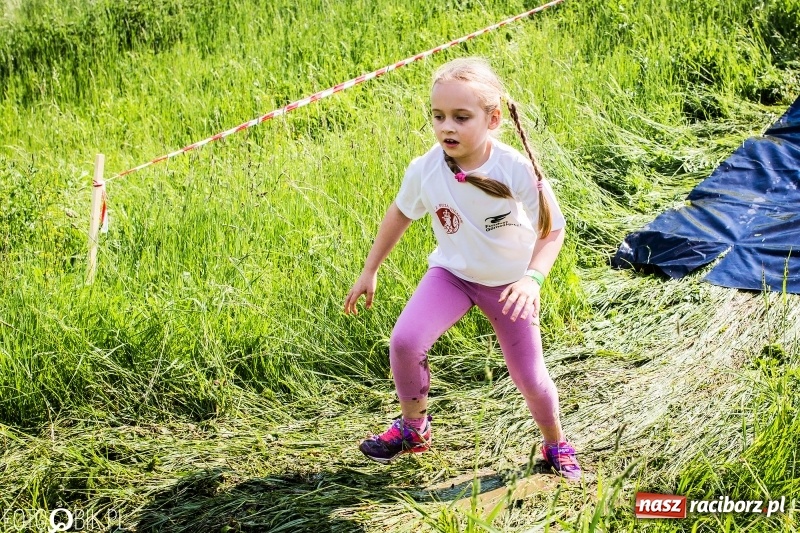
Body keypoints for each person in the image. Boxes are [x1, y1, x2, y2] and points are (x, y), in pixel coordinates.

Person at [343, 57, 581, 481]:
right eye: (438, 117)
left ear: (492, 119)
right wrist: (370, 270)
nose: (446, 127)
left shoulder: (514, 168)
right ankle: (414, 429)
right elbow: (399, 213)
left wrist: (533, 279)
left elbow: (552, 231)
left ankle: (555, 443)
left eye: (460, 117)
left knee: (528, 377)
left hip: (509, 284)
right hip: (453, 276)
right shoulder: (424, 169)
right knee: (404, 341)